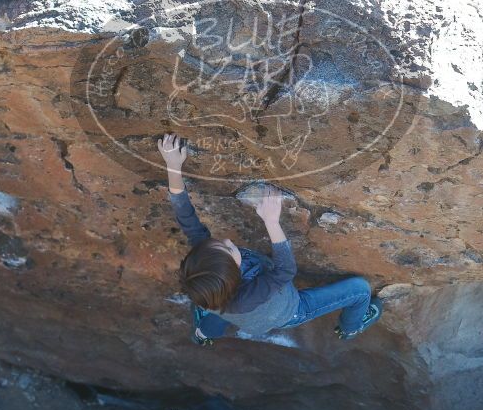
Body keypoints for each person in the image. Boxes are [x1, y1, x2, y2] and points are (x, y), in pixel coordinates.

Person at [159, 133, 382, 346]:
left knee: (216, 312)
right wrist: (271, 222)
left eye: (218, 243)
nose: (228, 240)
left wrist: (173, 167)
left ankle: (203, 332)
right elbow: (285, 271)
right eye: (228, 248)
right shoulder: (252, 294)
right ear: (233, 270)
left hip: (231, 312)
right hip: (289, 312)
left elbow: (186, 218)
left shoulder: (212, 287)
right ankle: (350, 327)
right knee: (360, 290)